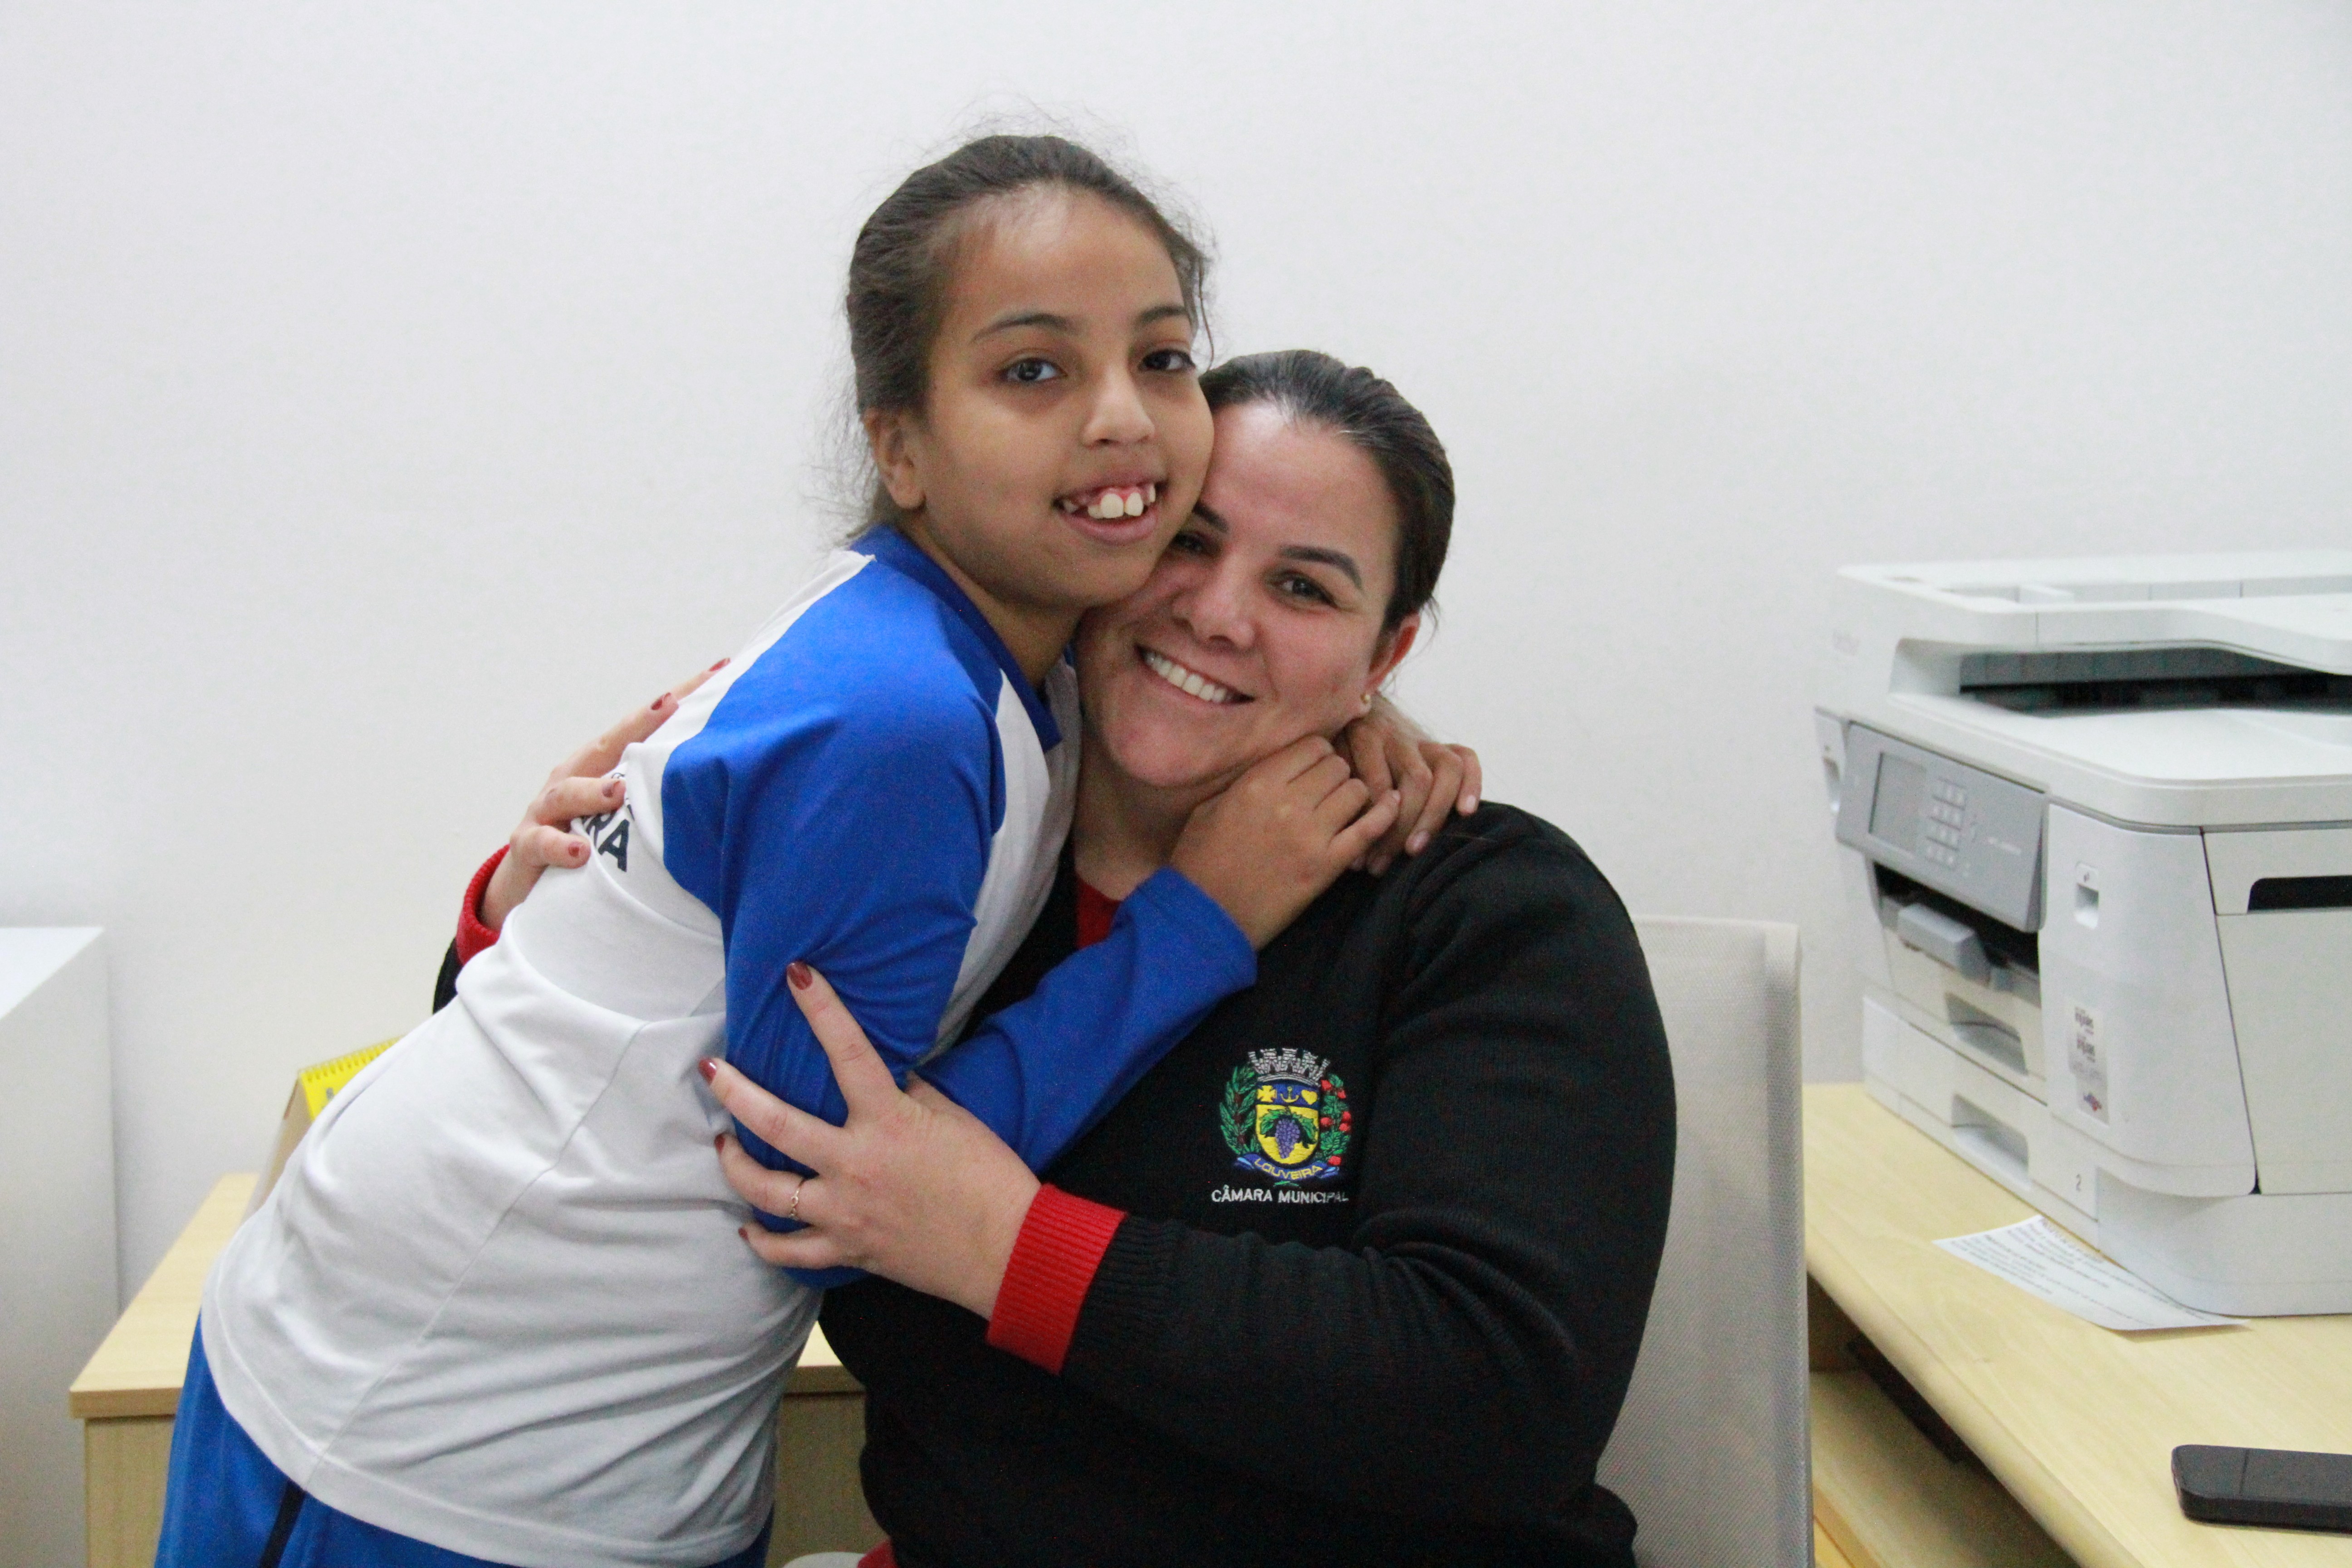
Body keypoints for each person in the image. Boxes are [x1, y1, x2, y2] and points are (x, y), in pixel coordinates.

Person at [162, 138, 1412, 1568]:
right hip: (428, 1430)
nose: (1123, 416)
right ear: (902, 448)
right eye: (1034, 370)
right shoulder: (903, 714)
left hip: (572, 1413)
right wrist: (1195, 925)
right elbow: (822, 1176)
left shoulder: (999, 647)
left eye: (1164, 357)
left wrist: (1357, 715)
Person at [475, 351, 1679, 1565]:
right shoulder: (943, 848)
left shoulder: (1486, 910)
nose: (1220, 614)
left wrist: (1001, 1245)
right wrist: (534, 910)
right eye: (1188, 541)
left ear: (1383, 655)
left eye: (1304, 588)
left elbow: (1501, 1397)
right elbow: (609, 1126)